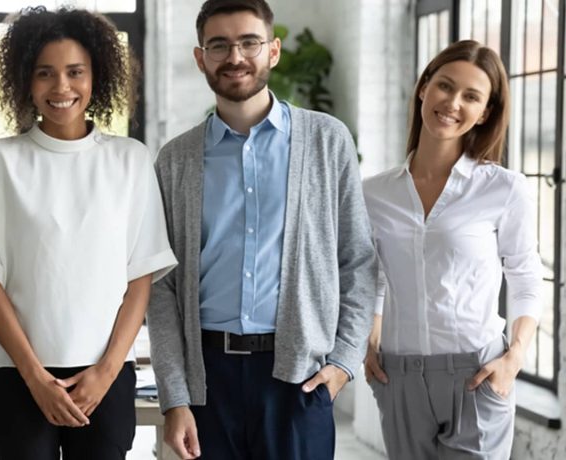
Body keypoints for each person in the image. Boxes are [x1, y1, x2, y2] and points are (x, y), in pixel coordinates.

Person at [146, 0, 378, 459]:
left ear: (272, 51)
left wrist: (343, 363)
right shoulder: (175, 160)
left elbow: (358, 260)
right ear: (201, 58)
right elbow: (161, 287)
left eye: (249, 42)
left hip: (299, 377)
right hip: (206, 380)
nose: (235, 57)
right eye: (219, 45)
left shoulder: (327, 140)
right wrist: (174, 396)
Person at [0, 7, 177, 459]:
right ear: (25, 80)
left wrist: (107, 371)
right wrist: (35, 376)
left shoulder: (129, 160)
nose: (61, 88)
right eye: (45, 73)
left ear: (97, 76)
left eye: (76, 72)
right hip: (18, 374)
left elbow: (140, 277)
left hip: (105, 375)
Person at [362, 40, 540, 460]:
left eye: (471, 96)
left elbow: (526, 275)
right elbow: (371, 276)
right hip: (399, 376)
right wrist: (370, 342)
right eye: (444, 85)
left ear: (486, 112)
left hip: (477, 375)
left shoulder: (504, 188)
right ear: (424, 88)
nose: (453, 102)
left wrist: (513, 358)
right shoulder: (373, 193)